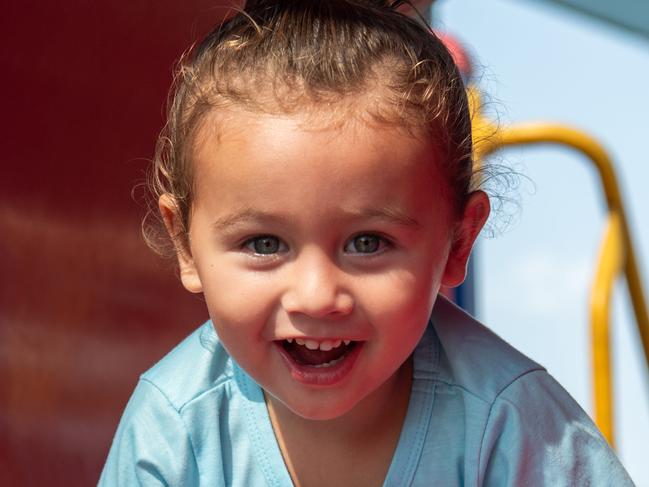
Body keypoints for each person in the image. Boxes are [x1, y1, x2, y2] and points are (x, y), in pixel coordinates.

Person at [100, 1, 634, 485]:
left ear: (457, 243)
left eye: (366, 244)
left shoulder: (514, 431)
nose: (314, 296)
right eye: (264, 244)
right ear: (186, 246)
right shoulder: (174, 430)